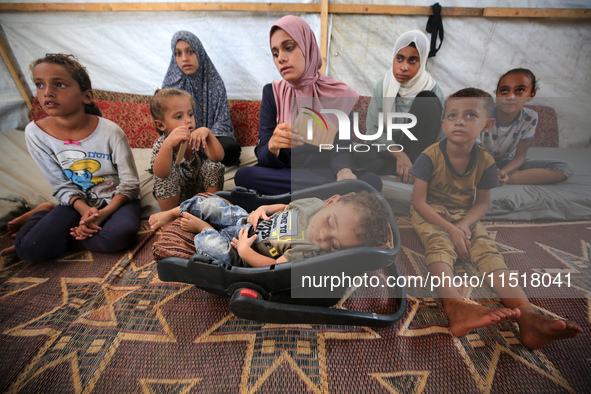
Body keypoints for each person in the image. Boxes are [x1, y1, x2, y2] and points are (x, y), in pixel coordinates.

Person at [410, 88, 582, 349]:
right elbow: (419, 202)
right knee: (439, 246)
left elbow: (482, 203)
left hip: (464, 214)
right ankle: (455, 307)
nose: (459, 121)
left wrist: (465, 224)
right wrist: (451, 230)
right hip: (432, 213)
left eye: (470, 115)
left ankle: (526, 316)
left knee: (488, 250)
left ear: (487, 124)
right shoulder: (429, 157)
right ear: (443, 122)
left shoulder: (486, 161)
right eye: (452, 115)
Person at [6, 54, 141, 264]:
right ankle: (45, 211)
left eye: (59, 84)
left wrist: (103, 213)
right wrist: (84, 210)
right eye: (39, 85)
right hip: (74, 202)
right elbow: (61, 185)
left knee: (119, 236)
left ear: (86, 96)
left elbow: (130, 184)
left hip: (115, 200)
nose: (47, 92)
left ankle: (60, 237)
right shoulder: (35, 133)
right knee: (28, 251)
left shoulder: (110, 132)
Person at [234, 15, 382, 195]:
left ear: (307, 46)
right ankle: (327, 194)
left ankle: (285, 199)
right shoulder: (272, 93)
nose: (281, 58)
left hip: (324, 172)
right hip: (286, 173)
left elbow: (342, 149)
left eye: (288, 48)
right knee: (244, 176)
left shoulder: (337, 94)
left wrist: (344, 171)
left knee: (372, 182)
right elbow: (264, 155)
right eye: (275, 53)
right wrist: (273, 146)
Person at [149, 191, 393, 267]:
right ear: (330, 201)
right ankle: (173, 212)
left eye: (335, 244)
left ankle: (203, 228)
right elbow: (286, 206)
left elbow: (274, 267)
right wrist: (264, 208)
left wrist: (245, 252)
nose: (323, 236)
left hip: (241, 252)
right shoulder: (314, 205)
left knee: (213, 250)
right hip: (248, 222)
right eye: (330, 223)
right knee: (213, 203)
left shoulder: (311, 251)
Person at [361, 30, 444, 184]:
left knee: (427, 99)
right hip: (391, 151)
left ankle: (415, 169)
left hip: (420, 153)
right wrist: (399, 155)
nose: (404, 67)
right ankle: (405, 169)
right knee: (360, 155)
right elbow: (373, 132)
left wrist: (424, 161)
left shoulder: (432, 89)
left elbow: (440, 137)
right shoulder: (383, 86)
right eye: (399, 59)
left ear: (422, 62)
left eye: (412, 60)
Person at [480, 68, 573, 185]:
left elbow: (519, 157)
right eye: (504, 91)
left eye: (519, 90)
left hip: (504, 163)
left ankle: (499, 178)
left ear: (531, 95)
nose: (510, 96)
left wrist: (503, 172)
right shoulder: (481, 115)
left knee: (563, 168)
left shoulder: (530, 117)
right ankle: (489, 177)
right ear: (497, 94)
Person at [162, 30, 241, 167]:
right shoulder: (170, 86)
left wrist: (206, 133)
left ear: (199, 52)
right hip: (183, 138)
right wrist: (187, 134)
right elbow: (167, 125)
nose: (184, 58)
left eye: (190, 52)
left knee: (231, 148)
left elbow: (222, 121)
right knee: (165, 149)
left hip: (212, 138)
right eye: (178, 53)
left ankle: (194, 160)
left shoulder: (214, 82)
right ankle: (198, 159)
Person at [150, 88, 225, 212]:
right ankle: (169, 219)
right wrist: (168, 144)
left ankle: (211, 210)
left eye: (190, 114)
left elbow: (218, 157)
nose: (188, 120)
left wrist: (208, 133)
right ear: (161, 125)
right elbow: (161, 173)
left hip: (201, 194)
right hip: (176, 199)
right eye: (179, 116)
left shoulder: (198, 138)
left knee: (214, 165)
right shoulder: (162, 144)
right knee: (164, 178)